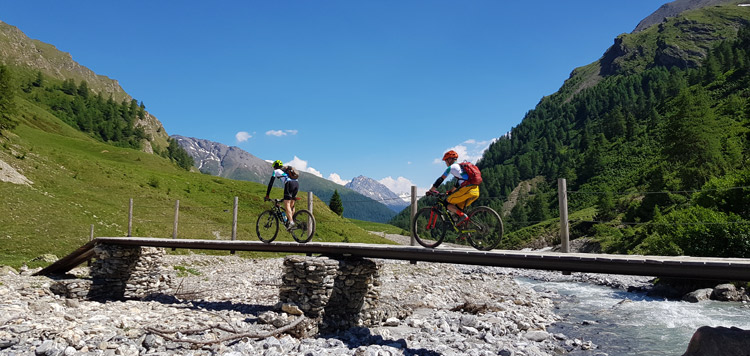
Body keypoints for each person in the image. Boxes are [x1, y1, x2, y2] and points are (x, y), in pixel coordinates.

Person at [427, 150, 480, 226]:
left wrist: (431, 190)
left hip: (467, 190)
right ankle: (463, 232)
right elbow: (459, 183)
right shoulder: (461, 168)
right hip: (475, 190)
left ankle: (462, 215)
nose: (445, 163)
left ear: (449, 159)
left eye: (446, 160)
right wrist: (451, 191)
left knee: (447, 203)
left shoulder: (451, 167)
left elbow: (441, 179)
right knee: (457, 207)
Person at [264, 160, 299, 230]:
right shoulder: (286, 169)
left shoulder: (276, 171)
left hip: (289, 184)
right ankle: (291, 220)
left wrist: (267, 195)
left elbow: (271, 183)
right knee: (292, 204)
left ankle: (291, 222)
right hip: (296, 184)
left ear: (275, 167)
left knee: (287, 204)